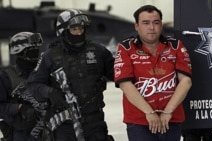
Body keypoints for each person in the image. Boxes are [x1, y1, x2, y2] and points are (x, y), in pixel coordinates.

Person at [27, 9, 115, 141]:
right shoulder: (49, 56)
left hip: (95, 123)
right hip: (65, 126)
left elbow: (119, 74)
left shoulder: (98, 51)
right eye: (74, 30)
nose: (79, 33)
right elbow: (33, 86)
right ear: (63, 32)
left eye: (81, 29)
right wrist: (50, 92)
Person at [114, 5, 192, 141]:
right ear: (136, 26)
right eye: (146, 23)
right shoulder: (126, 48)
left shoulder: (176, 46)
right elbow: (125, 85)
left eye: (156, 22)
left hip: (171, 119)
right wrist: (149, 113)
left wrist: (168, 112)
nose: (151, 27)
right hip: (139, 121)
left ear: (161, 25)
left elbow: (186, 81)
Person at [0, 31, 43, 141]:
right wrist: (19, 107)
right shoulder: (6, 77)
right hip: (20, 133)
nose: (36, 56)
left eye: (37, 51)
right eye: (32, 52)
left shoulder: (43, 74)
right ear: (20, 52)